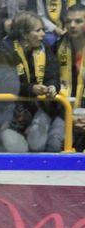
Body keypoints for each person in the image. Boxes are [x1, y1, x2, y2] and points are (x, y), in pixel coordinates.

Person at [0, 11, 62, 152]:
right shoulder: (5, 50)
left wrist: (52, 87)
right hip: (11, 112)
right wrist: (31, 89)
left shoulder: (45, 48)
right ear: (24, 34)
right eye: (38, 30)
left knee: (38, 145)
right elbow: (6, 84)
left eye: (43, 30)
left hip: (39, 110)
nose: (43, 34)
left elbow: (53, 75)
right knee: (17, 150)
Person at [57, 4, 85, 151]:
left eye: (78, 21)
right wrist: (69, 116)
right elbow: (51, 85)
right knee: (53, 140)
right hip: (64, 111)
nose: (72, 25)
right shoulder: (56, 47)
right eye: (68, 22)